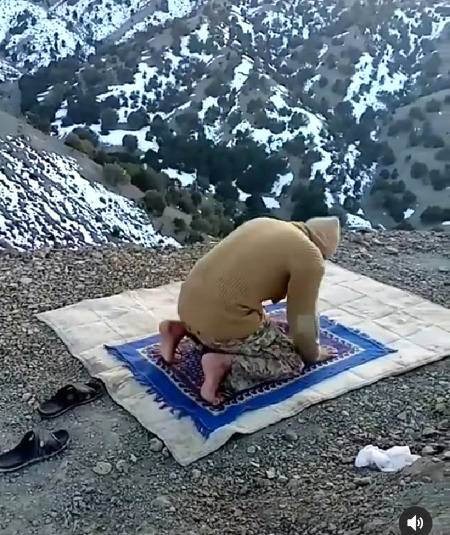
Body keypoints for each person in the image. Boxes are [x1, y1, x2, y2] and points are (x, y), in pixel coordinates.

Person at [159, 216, 341, 405]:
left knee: (254, 322)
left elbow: (238, 282)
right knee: (292, 362)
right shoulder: (310, 256)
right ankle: (223, 364)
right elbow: (303, 316)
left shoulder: (265, 223)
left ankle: (177, 329)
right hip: (220, 321)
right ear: (323, 250)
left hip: (187, 305)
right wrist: (312, 353)